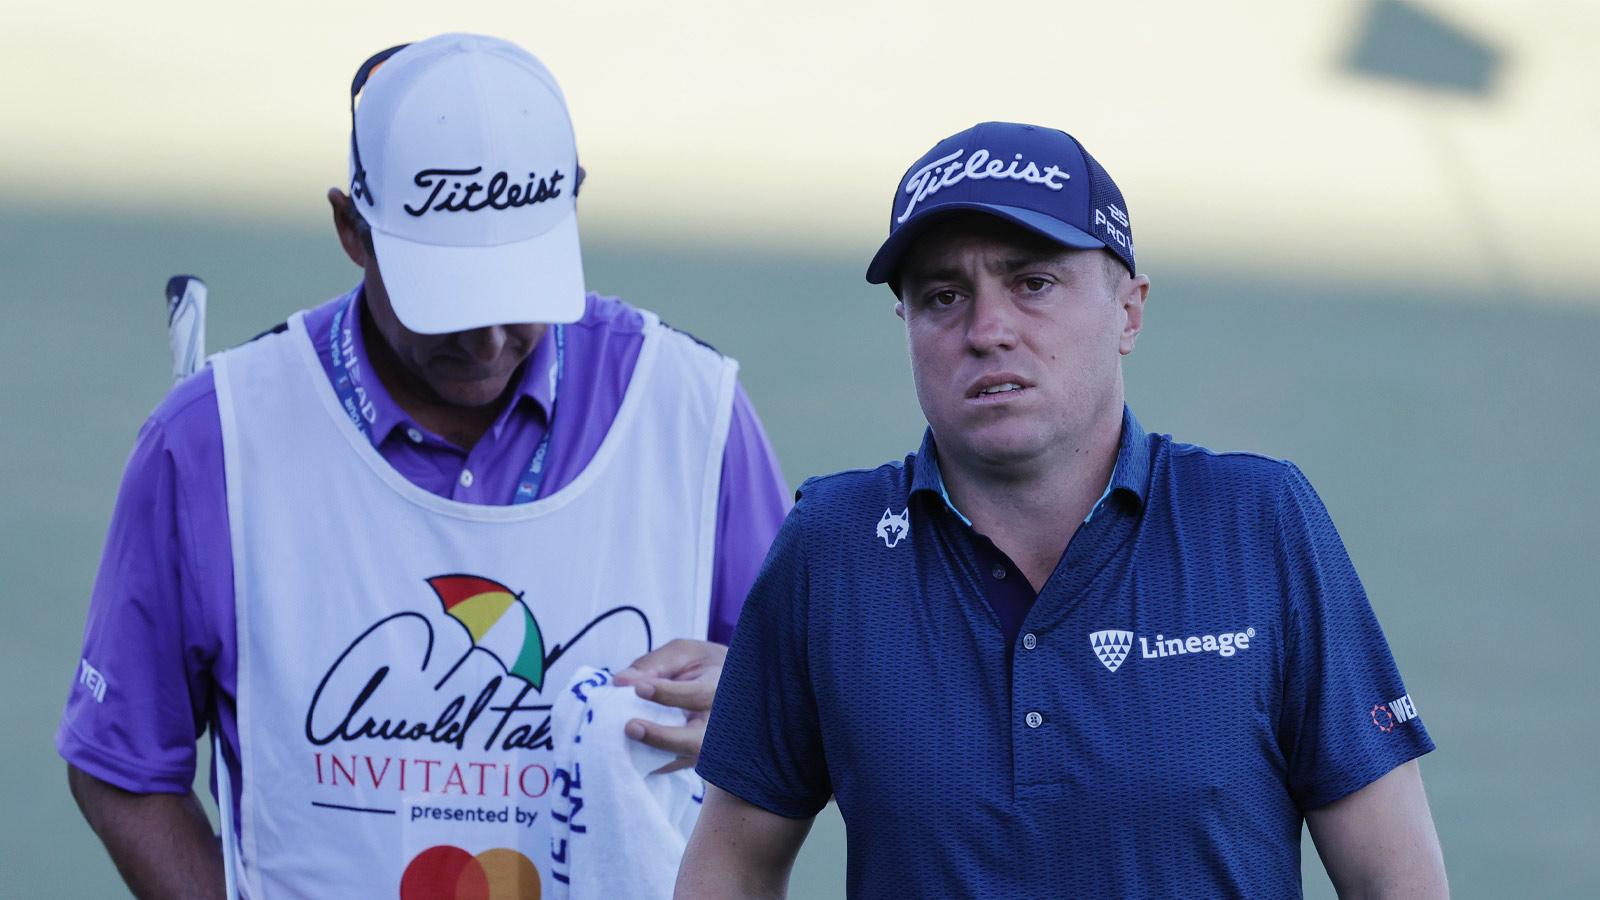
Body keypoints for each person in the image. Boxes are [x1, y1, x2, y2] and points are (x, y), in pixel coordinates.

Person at [57, 33, 790, 899]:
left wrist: (759, 717)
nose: (488, 340)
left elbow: (800, 719)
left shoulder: (696, 416)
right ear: (351, 230)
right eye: (447, 298)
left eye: (517, 288)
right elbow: (119, 764)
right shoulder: (207, 440)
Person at [680, 122, 1448, 898]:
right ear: (906, 325)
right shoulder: (833, 545)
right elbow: (731, 865)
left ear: (1129, 312)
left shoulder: (1257, 521)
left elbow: (1395, 878)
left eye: (1034, 283)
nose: (988, 330)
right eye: (944, 296)